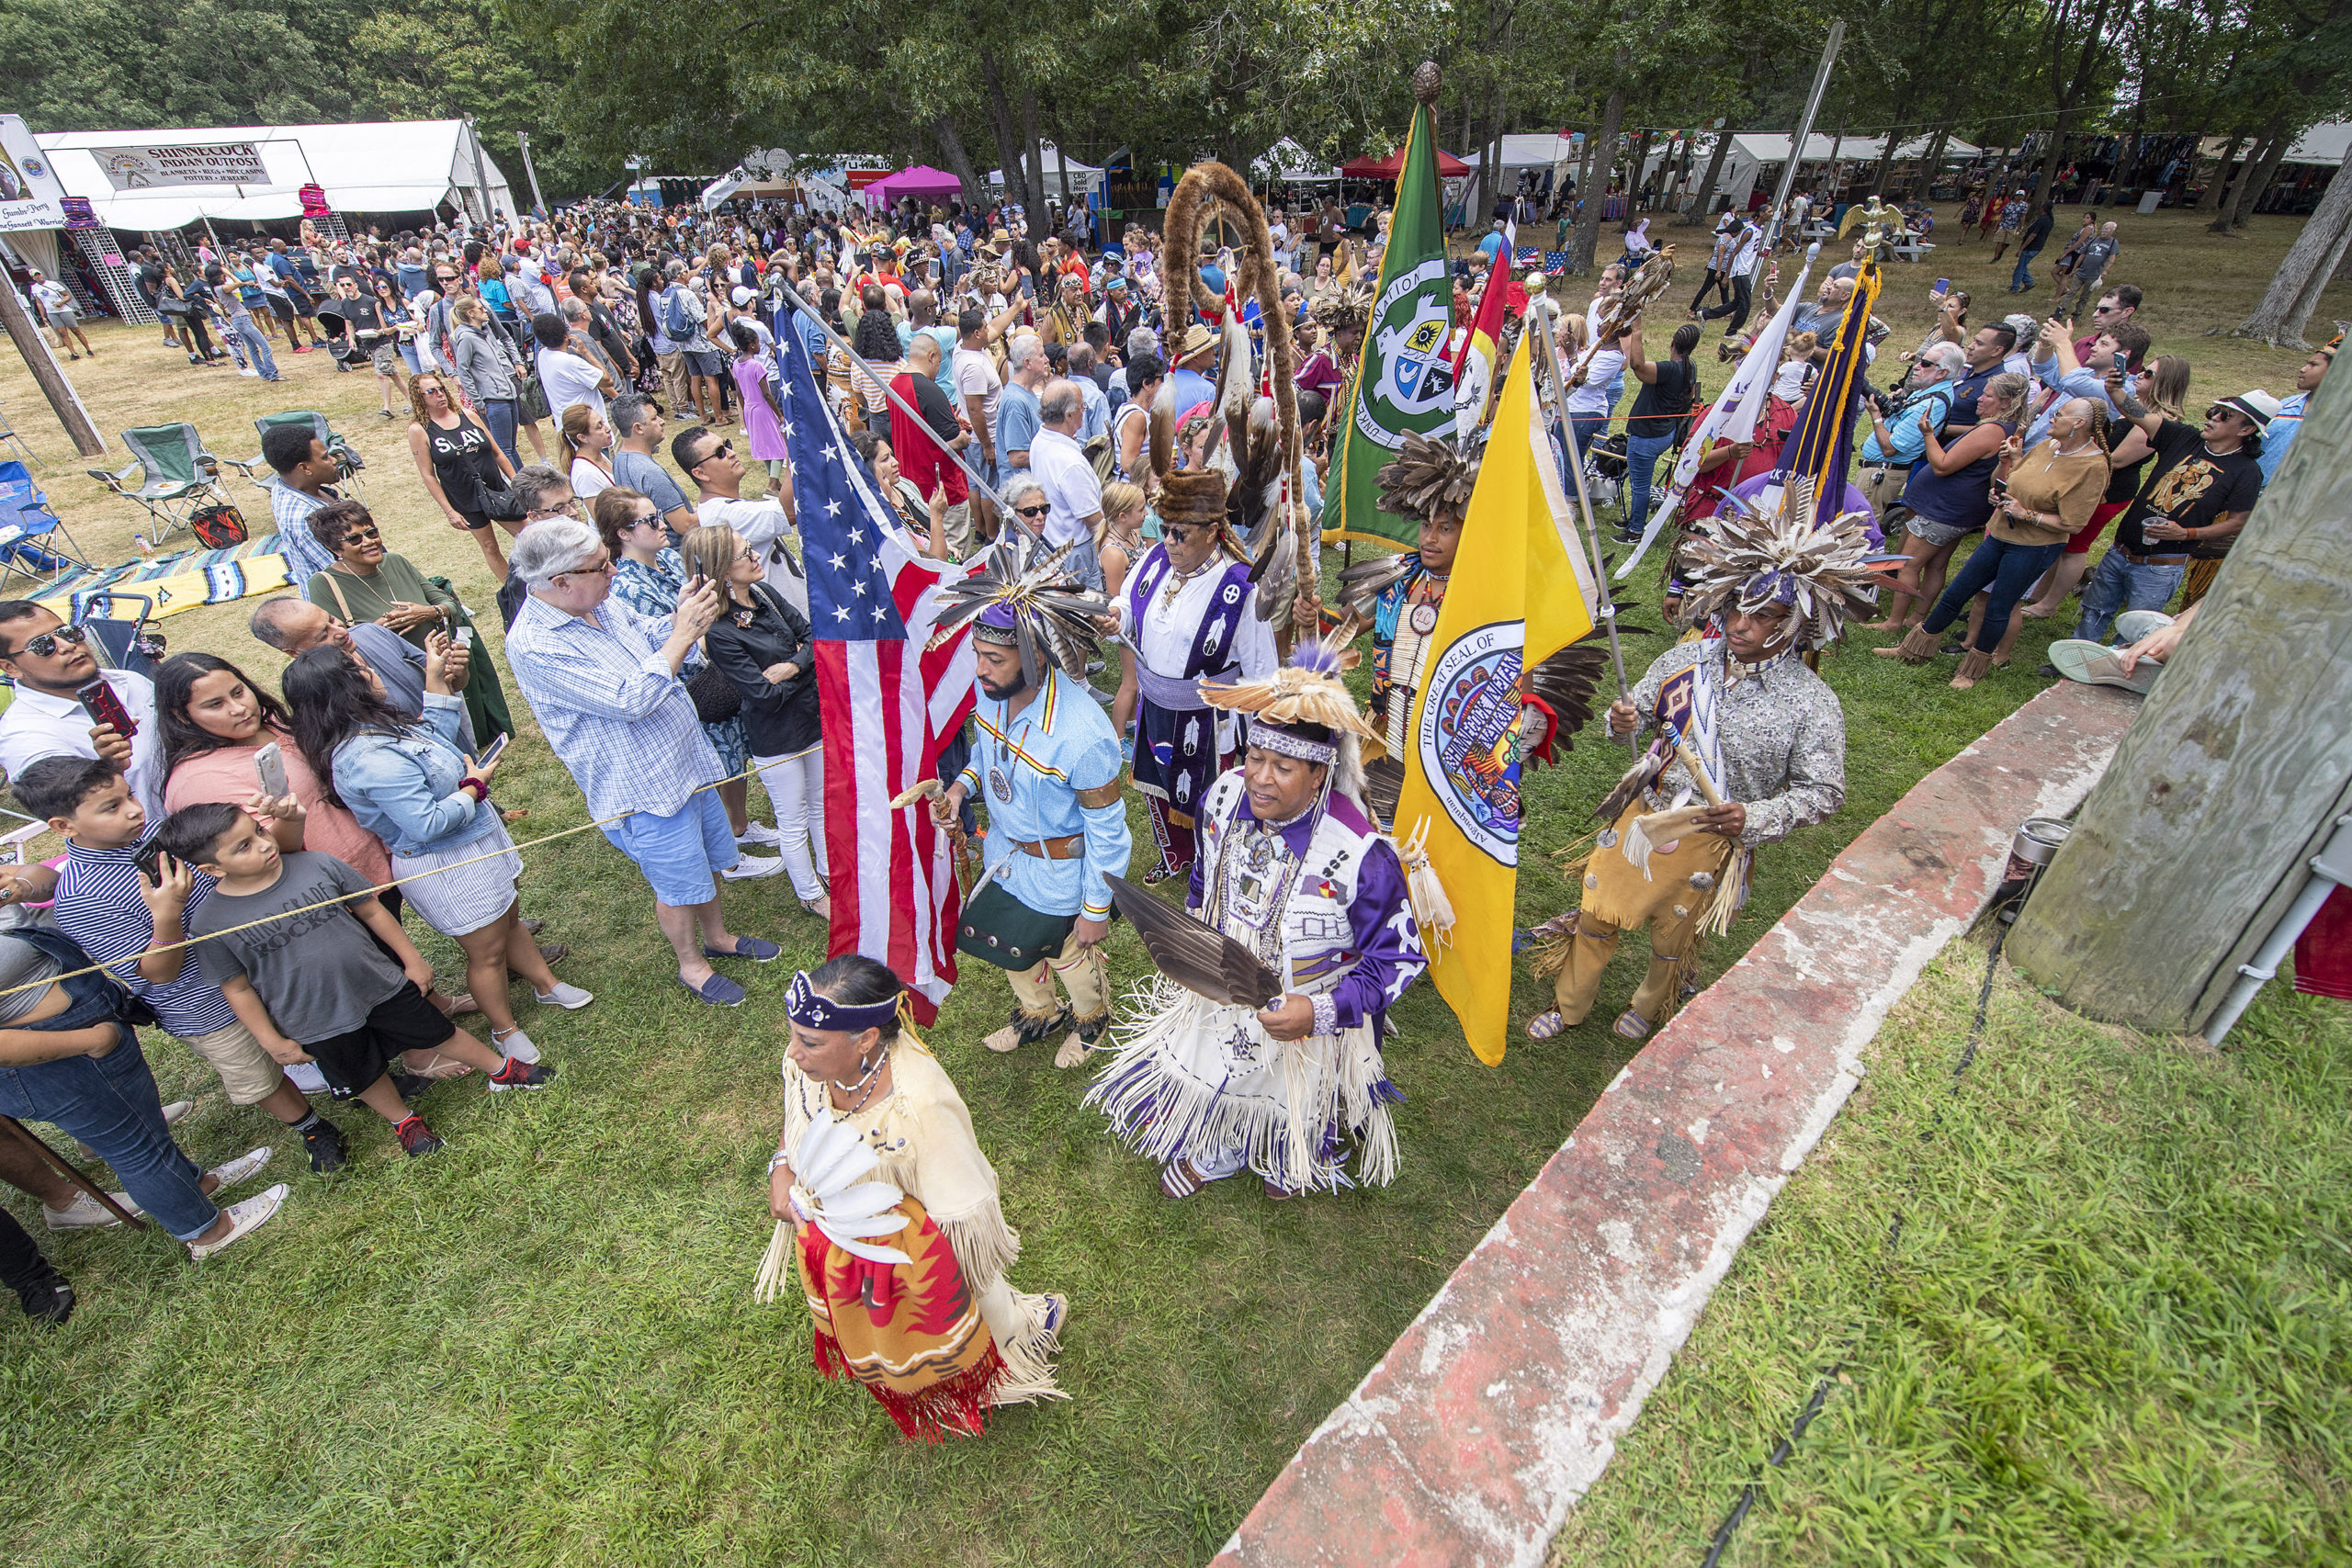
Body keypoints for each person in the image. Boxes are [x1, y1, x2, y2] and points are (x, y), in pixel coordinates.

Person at [1084, 642, 1427, 1200]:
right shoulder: (1222, 797)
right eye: (1256, 759)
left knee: (1297, 1098)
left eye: (1283, 768)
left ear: (1319, 774)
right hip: (1223, 981)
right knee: (1221, 1063)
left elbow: (1400, 959)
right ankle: (1218, 1145)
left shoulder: (1361, 854)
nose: (1260, 780)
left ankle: (1288, 1148)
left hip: (1312, 1009)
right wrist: (1193, 931)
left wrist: (1319, 1011)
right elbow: (1204, 871)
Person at [1523, 508, 1860, 1043]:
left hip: (1712, 833)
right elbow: (1641, 723)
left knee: (1672, 934)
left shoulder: (1811, 702)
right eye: (1733, 609)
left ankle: (1651, 1001)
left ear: (1794, 623)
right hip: (1644, 812)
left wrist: (1754, 815)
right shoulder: (1687, 660)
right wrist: (1622, 721)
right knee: (1597, 911)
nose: (1739, 625)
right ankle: (1569, 1005)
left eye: (1763, 615)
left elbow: (1824, 792)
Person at [761, 954, 1066, 1438]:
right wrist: (783, 1165)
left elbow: (962, 1218)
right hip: (845, 1242)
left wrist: (909, 1268)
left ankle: (1006, 1354)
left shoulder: (920, 1105)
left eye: (809, 1042)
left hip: (917, 1249)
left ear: (865, 1040)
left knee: (968, 1311)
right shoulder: (813, 1067)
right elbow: (798, 1118)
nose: (793, 1054)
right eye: (795, 1036)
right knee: (883, 1326)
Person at [158, 801, 551, 1159]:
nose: (263, 845)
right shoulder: (210, 922)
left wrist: (412, 961)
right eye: (242, 847)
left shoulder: (316, 864)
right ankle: (404, 1122)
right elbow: (236, 986)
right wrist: (271, 1040)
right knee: (361, 1071)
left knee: (439, 1032)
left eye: (259, 832)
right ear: (212, 868)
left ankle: (502, 1070)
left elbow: (372, 910)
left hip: (379, 984)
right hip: (313, 1017)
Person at [503, 517, 783, 1008]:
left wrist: (683, 613)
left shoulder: (598, 603)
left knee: (711, 860)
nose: (613, 570)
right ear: (561, 581)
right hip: (642, 786)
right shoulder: (535, 644)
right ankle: (692, 966)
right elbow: (630, 699)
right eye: (601, 565)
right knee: (676, 883)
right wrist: (681, 636)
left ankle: (718, 937)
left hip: (686, 761)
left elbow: (648, 633)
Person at [19, 757, 348, 1170]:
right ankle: (312, 1126)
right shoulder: (82, 899)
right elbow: (157, 974)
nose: (134, 810)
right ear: (64, 826)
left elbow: (247, 869)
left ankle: (354, 1080)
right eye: (111, 807)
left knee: (317, 1029)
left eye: (130, 795)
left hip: (267, 969)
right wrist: (168, 916)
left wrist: (284, 825)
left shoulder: (166, 835)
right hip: (203, 1005)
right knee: (258, 1074)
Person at [283, 644, 588, 1064]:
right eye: (362, 669)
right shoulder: (368, 758)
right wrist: (474, 788)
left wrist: (436, 679)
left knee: (510, 919)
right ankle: (504, 1030)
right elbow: (425, 824)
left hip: (478, 840)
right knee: (487, 952)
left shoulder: (378, 724)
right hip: (446, 864)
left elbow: (435, 736)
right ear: (346, 689)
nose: (373, 672)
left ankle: (545, 984)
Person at [930, 554, 1132, 1067]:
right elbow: (984, 757)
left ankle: (1091, 1018)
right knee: (1010, 944)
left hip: (1063, 872)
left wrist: (1095, 909)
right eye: (978, 654)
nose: (980, 669)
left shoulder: (1084, 736)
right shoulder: (992, 692)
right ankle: (1039, 1012)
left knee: (1069, 955)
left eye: (994, 659)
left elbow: (1109, 832)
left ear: (1037, 657)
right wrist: (959, 791)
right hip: (1006, 856)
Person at [0, 906, 289, 1258]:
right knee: (135, 1149)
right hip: (60, 1058)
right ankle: (209, 1232)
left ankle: (200, 1184)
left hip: (78, 1042)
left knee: (146, 1130)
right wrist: (91, 1042)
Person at [1880, 398, 2112, 687]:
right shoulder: (2046, 447)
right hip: (2000, 532)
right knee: (1956, 593)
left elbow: (2074, 524)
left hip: (2033, 547)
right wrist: (2001, 483)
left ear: (2078, 423)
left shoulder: (2093, 466)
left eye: (2059, 414)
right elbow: (2008, 480)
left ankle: (1972, 671)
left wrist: (2026, 513)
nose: (2051, 418)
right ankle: (1913, 648)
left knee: (1999, 606)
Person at [1113, 489, 1279, 881]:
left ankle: (1213, 866)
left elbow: (1262, 673)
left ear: (1212, 532)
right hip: (1154, 708)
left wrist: (1262, 741)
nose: (1168, 540)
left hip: (1208, 719)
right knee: (1158, 786)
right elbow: (1125, 603)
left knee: (1209, 799)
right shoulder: (1156, 562)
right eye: (1165, 529)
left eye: (1180, 533)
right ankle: (1176, 857)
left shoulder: (1240, 587)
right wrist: (1114, 616)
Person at [597, 488, 773, 854]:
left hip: (718, 671)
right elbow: (650, 646)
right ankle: (727, 854)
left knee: (734, 752)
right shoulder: (625, 587)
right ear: (623, 534)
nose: (662, 523)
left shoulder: (672, 562)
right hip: (686, 684)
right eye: (649, 520)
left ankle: (738, 825)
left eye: (658, 513)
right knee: (711, 767)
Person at [685, 523, 828, 915]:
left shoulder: (764, 594)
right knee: (792, 818)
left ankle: (830, 873)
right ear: (721, 570)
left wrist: (793, 667)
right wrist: (805, 665)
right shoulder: (720, 632)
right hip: (776, 735)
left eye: (751, 548)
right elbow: (762, 695)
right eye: (744, 554)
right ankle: (810, 894)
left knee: (819, 802)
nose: (754, 557)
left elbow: (814, 636)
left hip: (810, 719)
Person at [2073, 388, 2271, 641]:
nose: (2213, 417)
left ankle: (2115, 673)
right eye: (2215, 410)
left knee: (2137, 626)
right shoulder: (2185, 438)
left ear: (2246, 430)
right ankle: (2072, 660)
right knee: (2094, 611)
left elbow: (2237, 522)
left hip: (2162, 565)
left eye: (2225, 416)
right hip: (2120, 550)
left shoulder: (2246, 472)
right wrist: (2114, 389)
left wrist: (2186, 533)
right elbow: (2141, 415)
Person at [2023, 352, 2191, 623]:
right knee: (2063, 541)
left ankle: (2049, 604)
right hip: (2098, 483)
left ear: (2166, 383)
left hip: (2109, 491)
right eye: (2144, 369)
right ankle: (2038, 594)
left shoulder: (2159, 419)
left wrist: (2078, 456)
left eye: (2149, 374)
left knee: (2075, 546)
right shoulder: (2139, 407)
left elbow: (2120, 459)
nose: (2141, 375)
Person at [1868, 369, 2028, 632]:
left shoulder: (1992, 430)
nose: (1979, 399)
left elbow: (1943, 465)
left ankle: (1894, 622)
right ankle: (1917, 616)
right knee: (1937, 564)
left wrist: (1928, 434)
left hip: (1943, 510)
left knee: (1909, 563)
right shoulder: (2007, 429)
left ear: (2006, 402)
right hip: (1958, 510)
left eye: (1987, 395)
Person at [0, 602, 164, 817]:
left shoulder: (129, 681)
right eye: (43, 645)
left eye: (68, 632)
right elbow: (69, 814)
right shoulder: (23, 737)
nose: (67, 646)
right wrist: (109, 770)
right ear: (10, 668)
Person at [676, 425, 808, 615]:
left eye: (727, 444)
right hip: (783, 620)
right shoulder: (723, 516)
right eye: (720, 452)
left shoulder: (719, 507)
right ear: (700, 473)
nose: (731, 453)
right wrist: (794, 445)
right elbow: (790, 511)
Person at [408, 369, 521, 580]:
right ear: (419, 397)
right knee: (489, 546)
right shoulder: (419, 430)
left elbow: (497, 452)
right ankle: (513, 590)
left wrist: (516, 481)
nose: (439, 394)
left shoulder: (468, 415)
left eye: (441, 389)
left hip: (495, 488)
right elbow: (428, 475)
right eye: (431, 391)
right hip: (464, 496)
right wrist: (449, 511)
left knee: (527, 535)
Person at [889, 332, 974, 559]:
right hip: (943, 488)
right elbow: (955, 441)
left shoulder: (893, 385)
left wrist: (949, 420)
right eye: (939, 362)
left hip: (912, 485)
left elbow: (919, 427)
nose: (938, 369)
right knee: (952, 554)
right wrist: (965, 434)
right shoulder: (929, 389)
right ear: (931, 356)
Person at [1857, 343, 1962, 519]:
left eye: (1926, 363)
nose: (1917, 366)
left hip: (1881, 474)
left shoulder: (1930, 404)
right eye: (1919, 360)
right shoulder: (1926, 391)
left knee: (1860, 525)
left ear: (1943, 372)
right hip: (1879, 471)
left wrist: (1876, 416)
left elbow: (1890, 449)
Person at [1620, 321, 1701, 539]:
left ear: (1672, 342)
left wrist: (1637, 332)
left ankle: (1635, 529)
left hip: (1648, 435)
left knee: (1640, 485)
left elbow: (1638, 366)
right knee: (1640, 482)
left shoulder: (1670, 369)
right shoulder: (1689, 367)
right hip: (1665, 433)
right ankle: (1633, 520)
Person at [1029, 378, 1106, 591]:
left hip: (1054, 541)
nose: (1085, 410)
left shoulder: (1041, 438)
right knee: (1088, 612)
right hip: (1076, 552)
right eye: (1082, 406)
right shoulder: (1069, 463)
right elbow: (1092, 519)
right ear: (1069, 415)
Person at [449, 294, 533, 468]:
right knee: (504, 448)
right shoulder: (466, 338)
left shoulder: (484, 333)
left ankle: (524, 483)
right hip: (493, 400)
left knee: (511, 447)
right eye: (481, 309)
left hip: (506, 395)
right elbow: (463, 371)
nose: (485, 311)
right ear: (471, 313)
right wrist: (478, 401)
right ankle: (517, 485)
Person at [261, 424, 347, 588]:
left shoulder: (286, 486)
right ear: (305, 468)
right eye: (325, 458)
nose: (333, 460)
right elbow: (348, 576)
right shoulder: (307, 520)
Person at [609, 393, 698, 542]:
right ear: (638, 428)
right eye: (654, 418)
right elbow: (684, 525)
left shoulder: (620, 459)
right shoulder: (650, 473)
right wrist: (716, 508)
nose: (662, 422)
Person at [2256, 341, 2332, 486]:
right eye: (2306, 363)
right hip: (2252, 492)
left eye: (2314, 365)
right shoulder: (2286, 405)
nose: (2303, 369)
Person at [328, 275, 404, 414]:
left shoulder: (371, 301)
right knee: (392, 373)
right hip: (368, 343)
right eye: (343, 285)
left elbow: (384, 322)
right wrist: (351, 338)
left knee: (381, 374)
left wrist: (380, 331)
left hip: (382, 341)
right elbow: (349, 323)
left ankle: (387, 408)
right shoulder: (344, 303)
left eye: (349, 284)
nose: (346, 288)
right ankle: (412, 400)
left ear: (355, 285)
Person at [729, 322, 788, 483]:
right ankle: (772, 483)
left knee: (764, 445)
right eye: (757, 342)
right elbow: (767, 394)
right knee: (778, 446)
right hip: (763, 409)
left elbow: (739, 393)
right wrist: (779, 415)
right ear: (752, 345)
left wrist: (744, 411)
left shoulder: (736, 364)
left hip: (749, 408)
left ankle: (774, 482)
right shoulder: (757, 366)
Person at [533, 311, 614, 426]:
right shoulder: (571, 362)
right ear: (566, 335)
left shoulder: (542, 355)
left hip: (566, 425)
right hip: (590, 428)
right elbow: (607, 380)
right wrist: (586, 353)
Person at [2056, 220, 2120, 321]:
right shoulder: (2094, 240)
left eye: (2107, 229)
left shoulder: (2113, 242)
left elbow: (2112, 258)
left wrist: (2106, 271)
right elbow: (2082, 255)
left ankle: (2077, 314)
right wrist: (2074, 269)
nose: (2104, 231)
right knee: (2071, 292)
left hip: (2093, 275)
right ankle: (2060, 310)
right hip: (2081, 272)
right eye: (2103, 228)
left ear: (2112, 231)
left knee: (2084, 296)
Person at [28, 272, 92, 360]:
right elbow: (39, 303)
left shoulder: (53, 284)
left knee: (76, 330)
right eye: (35, 275)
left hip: (64, 310)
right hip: (51, 312)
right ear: (33, 278)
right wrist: (43, 316)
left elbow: (67, 296)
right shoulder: (34, 288)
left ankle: (88, 349)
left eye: (39, 274)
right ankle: (73, 353)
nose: (38, 276)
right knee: (62, 333)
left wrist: (61, 303)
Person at [561, 403, 616, 501]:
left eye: (603, 422)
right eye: (599, 427)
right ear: (582, 437)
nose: (607, 429)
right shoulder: (585, 474)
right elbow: (598, 515)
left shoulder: (599, 455)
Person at [2009, 206, 2055, 293]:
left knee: (2020, 268)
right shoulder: (2050, 220)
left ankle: (2015, 287)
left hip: (2031, 247)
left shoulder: (2042, 220)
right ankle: (2028, 282)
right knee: (2023, 266)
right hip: (2038, 246)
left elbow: (2033, 235)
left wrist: (2021, 248)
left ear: (2043, 209)